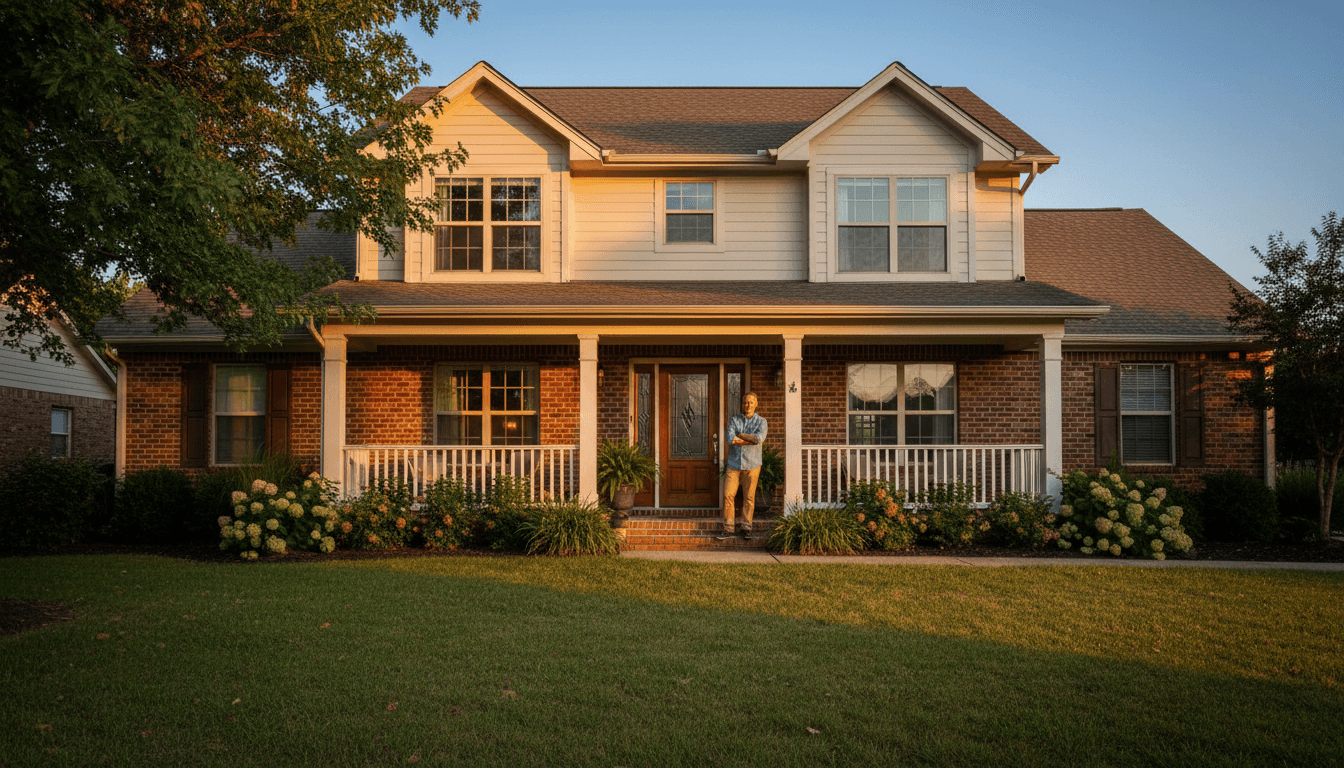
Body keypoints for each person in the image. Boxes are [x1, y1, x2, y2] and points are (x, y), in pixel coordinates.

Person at [723, 391, 767, 537]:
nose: (748, 405)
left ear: (756, 404)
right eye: (745, 402)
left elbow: (759, 439)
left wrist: (740, 435)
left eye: (751, 402)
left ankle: (746, 527)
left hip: (752, 464)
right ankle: (728, 527)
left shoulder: (761, 422)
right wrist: (750, 439)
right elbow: (730, 439)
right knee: (728, 494)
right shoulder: (734, 420)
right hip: (733, 464)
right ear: (742, 404)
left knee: (749, 497)